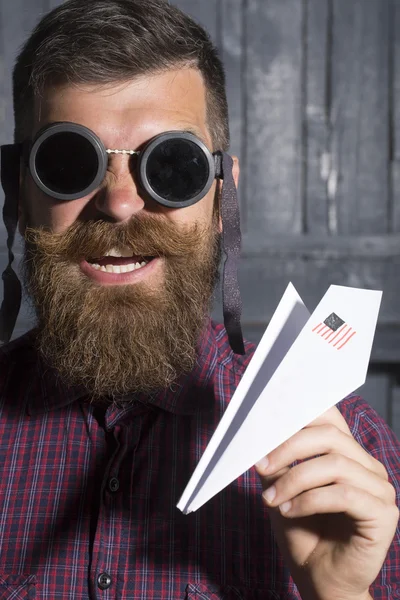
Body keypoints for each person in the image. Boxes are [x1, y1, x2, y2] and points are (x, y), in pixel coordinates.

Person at [0, 0, 398, 598]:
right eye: (68, 162)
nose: (122, 204)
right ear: (17, 191)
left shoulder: (339, 448)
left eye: (172, 166)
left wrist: (337, 594)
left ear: (221, 198)